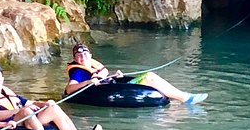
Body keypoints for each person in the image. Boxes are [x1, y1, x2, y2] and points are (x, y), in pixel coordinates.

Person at [0, 62, 103, 130]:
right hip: (5, 126)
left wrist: (45, 104)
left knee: (52, 107)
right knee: (26, 112)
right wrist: (19, 111)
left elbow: (28, 102)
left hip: (22, 120)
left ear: (2, 79)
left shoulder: (6, 92)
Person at [64, 42, 208, 104]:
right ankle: (185, 98)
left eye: (85, 54)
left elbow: (102, 77)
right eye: (79, 56)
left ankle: (180, 97)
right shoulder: (78, 71)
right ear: (75, 58)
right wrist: (89, 82)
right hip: (104, 91)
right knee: (149, 77)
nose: (83, 57)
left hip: (111, 85)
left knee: (150, 76)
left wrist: (115, 75)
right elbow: (70, 89)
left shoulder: (92, 65)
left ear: (90, 55)